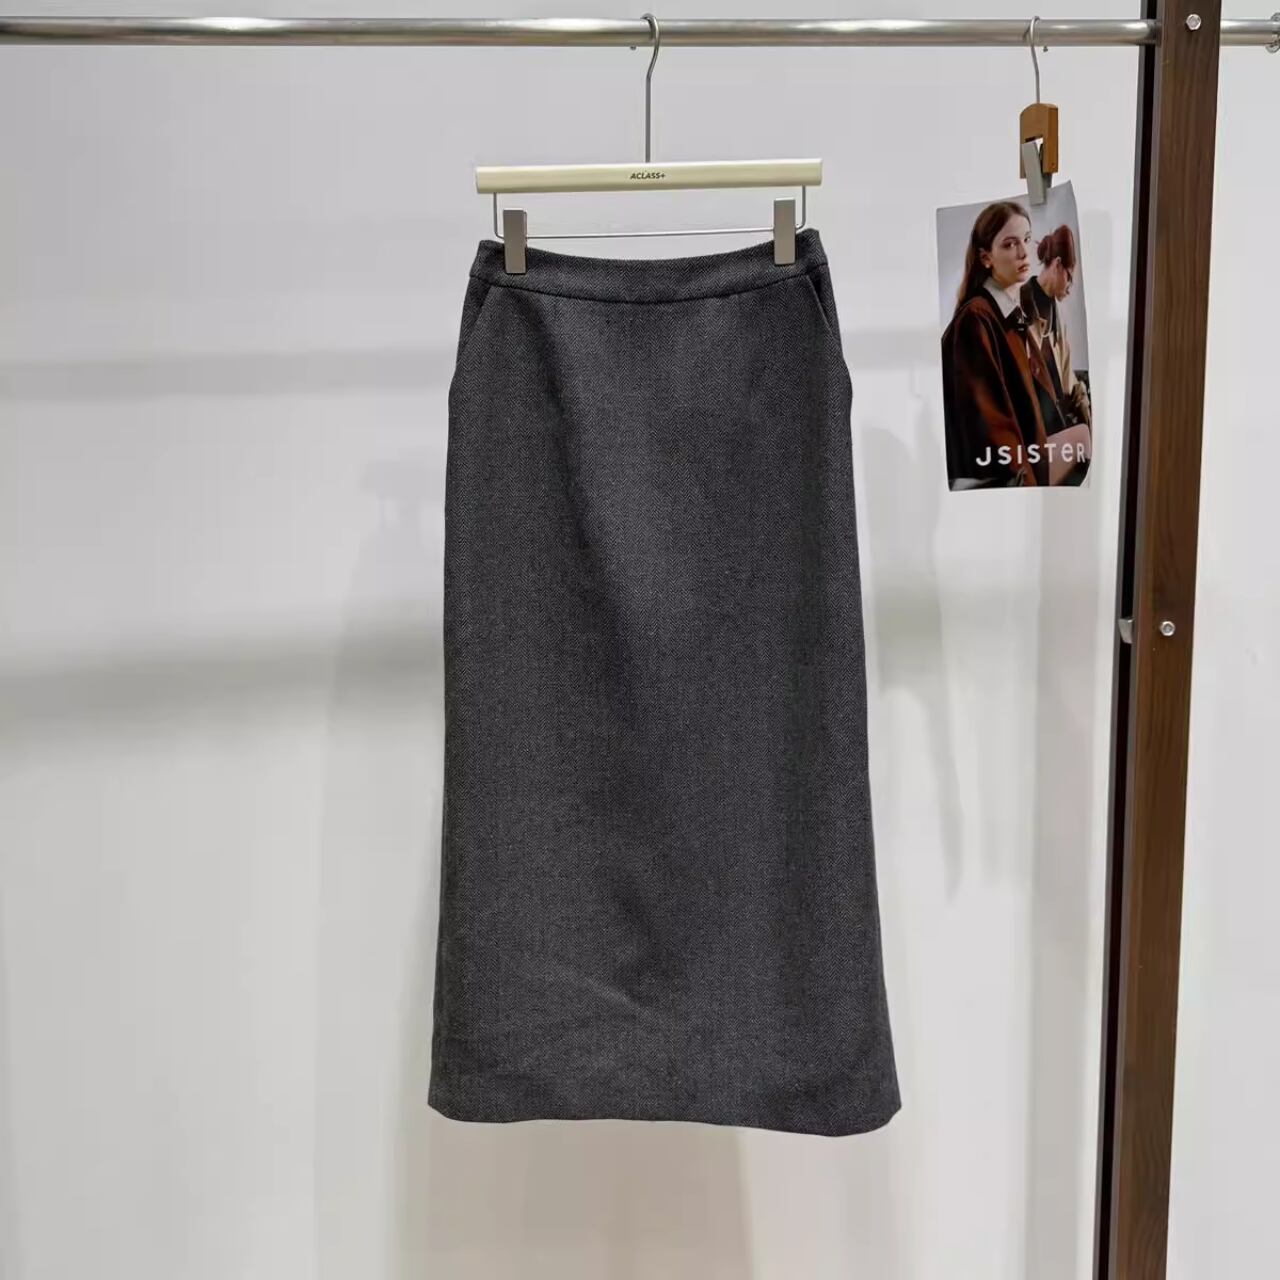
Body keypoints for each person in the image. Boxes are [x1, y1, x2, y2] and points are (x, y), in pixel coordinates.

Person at [941, 201, 1088, 488]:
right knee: (1082, 442)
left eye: (1026, 239)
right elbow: (992, 432)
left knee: (1084, 440)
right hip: (1007, 481)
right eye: (1009, 244)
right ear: (986, 258)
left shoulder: (1009, 316)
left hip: (1025, 463)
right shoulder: (977, 319)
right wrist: (1027, 493)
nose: (1023, 252)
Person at [1021, 223, 1092, 432]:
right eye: (1069, 277)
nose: (1070, 287)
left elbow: (1067, 380)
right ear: (1058, 265)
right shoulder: (1019, 304)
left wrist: (1085, 409)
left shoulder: (1060, 320)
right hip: (1029, 426)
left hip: (1055, 425)